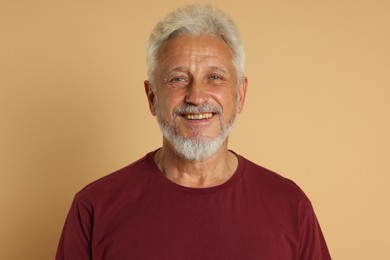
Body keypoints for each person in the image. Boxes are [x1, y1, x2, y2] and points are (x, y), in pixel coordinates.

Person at [56, 4, 331, 259]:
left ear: (240, 94)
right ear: (152, 97)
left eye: (215, 77)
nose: (197, 97)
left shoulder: (290, 206)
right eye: (178, 79)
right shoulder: (94, 208)